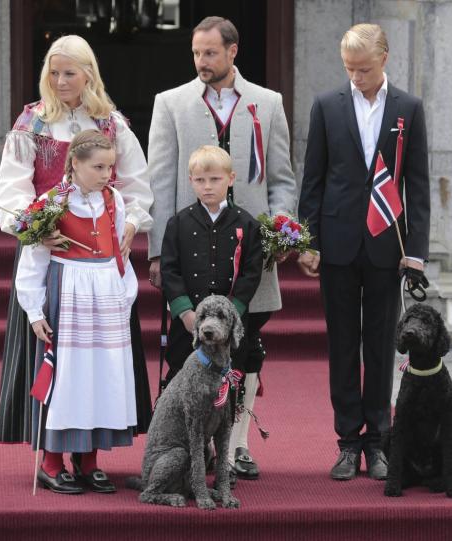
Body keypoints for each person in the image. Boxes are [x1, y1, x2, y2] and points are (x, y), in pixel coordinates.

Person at [146, 16, 297, 483]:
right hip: (191, 252)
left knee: (247, 351)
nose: (201, 61)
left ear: (233, 51)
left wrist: (279, 234)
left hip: (249, 254)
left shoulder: (267, 103)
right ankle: (193, 450)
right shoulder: (170, 103)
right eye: (196, 53)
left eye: (210, 53)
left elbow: (282, 179)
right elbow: (160, 179)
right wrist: (156, 252)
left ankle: (238, 446)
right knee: (187, 357)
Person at [0, 35, 153, 444]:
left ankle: (94, 442)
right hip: (50, 258)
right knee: (55, 353)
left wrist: (131, 224)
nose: (61, 80)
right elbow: (12, 191)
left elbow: (137, 185)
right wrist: (35, 228)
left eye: (69, 72)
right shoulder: (32, 123)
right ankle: (49, 444)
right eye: (54, 71)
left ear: (88, 75)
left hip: (100, 260)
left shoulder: (111, 125)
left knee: (100, 359)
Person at [297, 23, 430, 481]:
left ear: (385, 59)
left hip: (385, 245)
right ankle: (347, 441)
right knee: (342, 346)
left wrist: (415, 252)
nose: (356, 76)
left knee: (378, 345)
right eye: (350, 68)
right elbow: (312, 177)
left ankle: (378, 442)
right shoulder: (326, 105)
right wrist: (307, 240)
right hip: (336, 243)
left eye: (364, 68)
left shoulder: (408, 109)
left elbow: (417, 183)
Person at [16, 130, 137, 494]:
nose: (106, 174)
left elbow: (119, 250)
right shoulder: (53, 202)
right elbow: (33, 260)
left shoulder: (113, 199)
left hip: (106, 296)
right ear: (75, 164)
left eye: (110, 167)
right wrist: (35, 311)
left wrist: (124, 293)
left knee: (102, 374)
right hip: (69, 292)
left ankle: (89, 459)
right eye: (98, 167)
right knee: (69, 377)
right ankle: (51, 462)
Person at [160, 145, 263, 383]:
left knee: (228, 379)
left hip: (230, 321)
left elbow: (251, 272)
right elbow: (170, 269)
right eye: (200, 180)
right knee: (182, 376)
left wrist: (233, 311)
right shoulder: (178, 223)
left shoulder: (247, 224)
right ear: (190, 181)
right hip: (189, 321)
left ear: (230, 179)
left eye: (215, 179)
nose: (207, 186)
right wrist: (186, 313)